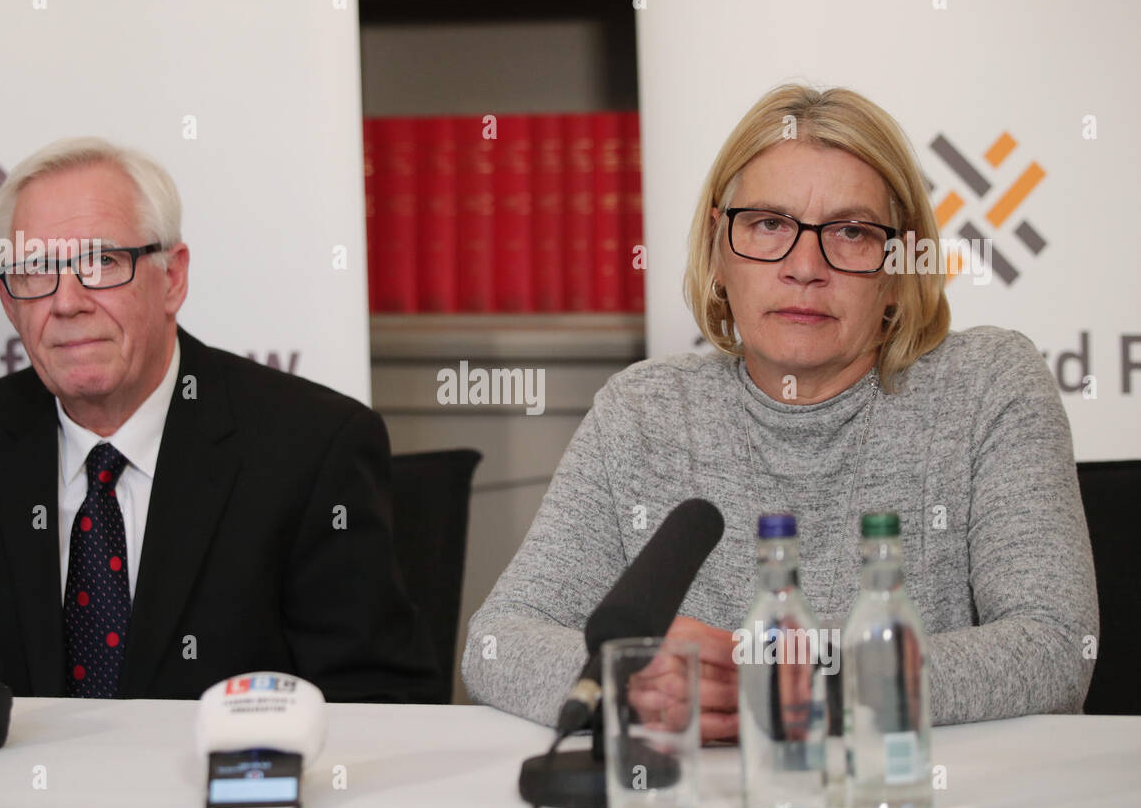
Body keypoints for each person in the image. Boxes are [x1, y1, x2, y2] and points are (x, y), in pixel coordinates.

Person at [462, 84, 1098, 738]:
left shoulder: (988, 386)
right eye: (769, 224)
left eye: (851, 232)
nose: (804, 267)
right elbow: (497, 642)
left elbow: (1051, 648)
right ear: (717, 249)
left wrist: (787, 682)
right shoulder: (643, 410)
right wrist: (633, 681)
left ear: (898, 266)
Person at [0, 137, 441, 702]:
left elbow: (378, 702)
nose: (66, 302)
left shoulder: (312, 448)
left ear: (172, 278)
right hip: (14, 803)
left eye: (101, 262)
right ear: (9, 302)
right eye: (35, 271)